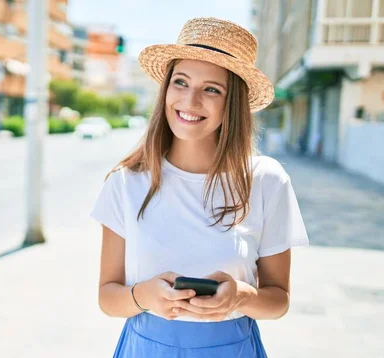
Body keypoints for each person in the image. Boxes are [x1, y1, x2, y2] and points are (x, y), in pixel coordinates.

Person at [90, 17, 309, 357]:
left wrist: (241, 296)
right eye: (181, 82)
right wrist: (143, 296)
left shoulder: (267, 180)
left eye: (211, 89)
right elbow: (108, 298)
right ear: (165, 89)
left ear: (231, 103)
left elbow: (278, 300)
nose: (190, 101)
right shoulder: (126, 181)